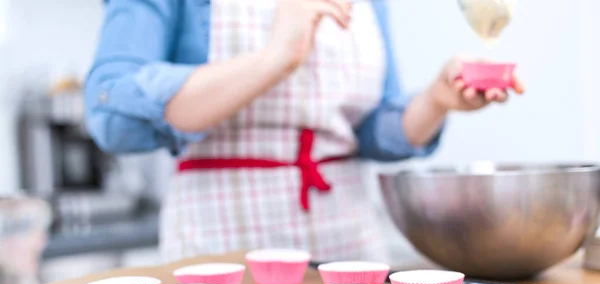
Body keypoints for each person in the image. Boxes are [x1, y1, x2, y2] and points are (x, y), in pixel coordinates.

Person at [85, 0, 524, 263]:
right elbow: (112, 109)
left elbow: (369, 130)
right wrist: (274, 59)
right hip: (220, 243)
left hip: (349, 246)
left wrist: (435, 100)